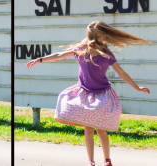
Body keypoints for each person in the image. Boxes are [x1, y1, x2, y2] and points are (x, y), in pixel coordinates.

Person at [26, 21, 150, 166]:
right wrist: (40, 60)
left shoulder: (106, 54)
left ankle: (107, 160)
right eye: (103, 34)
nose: (105, 36)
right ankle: (91, 161)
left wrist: (137, 87)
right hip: (85, 94)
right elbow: (59, 55)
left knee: (102, 131)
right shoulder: (81, 50)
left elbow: (121, 73)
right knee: (88, 130)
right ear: (96, 36)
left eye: (105, 34)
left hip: (102, 94)